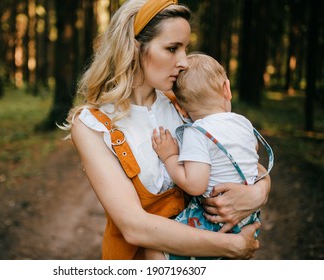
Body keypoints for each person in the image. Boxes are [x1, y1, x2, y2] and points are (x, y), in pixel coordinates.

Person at [63, 0, 271, 260]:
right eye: (172, 48)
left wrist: (258, 193)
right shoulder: (92, 125)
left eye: (185, 49)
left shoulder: (183, 106)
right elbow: (134, 227)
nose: (184, 62)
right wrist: (232, 246)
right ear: (134, 48)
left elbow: (246, 161)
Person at [149, 53, 274, 260]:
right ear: (227, 89)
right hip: (248, 218)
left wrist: (170, 157)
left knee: (152, 248)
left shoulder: (196, 133)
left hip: (212, 221)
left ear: (180, 108)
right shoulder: (243, 123)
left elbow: (195, 185)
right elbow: (252, 156)